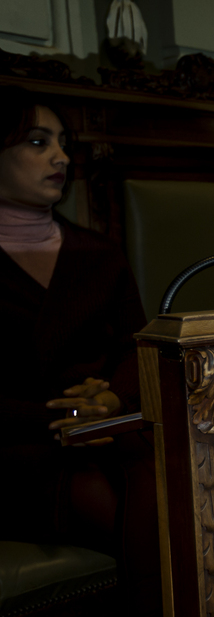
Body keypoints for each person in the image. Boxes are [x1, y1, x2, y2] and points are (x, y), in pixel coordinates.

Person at [0, 86, 147, 553]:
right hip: (15, 451)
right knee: (129, 515)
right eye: (39, 142)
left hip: (106, 437)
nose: (61, 156)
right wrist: (66, 418)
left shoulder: (99, 254)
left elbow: (135, 347)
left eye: (64, 143)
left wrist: (110, 399)